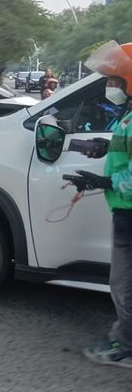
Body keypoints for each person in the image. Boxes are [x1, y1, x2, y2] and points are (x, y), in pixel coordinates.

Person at [69, 40, 132, 368]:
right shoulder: (129, 114)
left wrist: (103, 182)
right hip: (124, 209)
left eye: (114, 81)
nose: (109, 87)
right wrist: (103, 149)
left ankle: (126, 345)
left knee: (123, 285)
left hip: (129, 212)